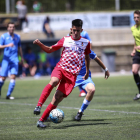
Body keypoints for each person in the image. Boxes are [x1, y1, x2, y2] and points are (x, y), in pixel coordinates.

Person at [33, 19, 91, 128]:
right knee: (54, 81)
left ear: (81, 30)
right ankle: (38, 106)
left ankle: (41, 121)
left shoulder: (85, 43)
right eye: (74, 30)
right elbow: (50, 49)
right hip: (61, 68)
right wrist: (40, 44)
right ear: (71, 29)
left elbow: (87, 57)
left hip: (72, 76)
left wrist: (87, 71)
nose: (75, 33)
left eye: (78, 31)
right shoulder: (65, 40)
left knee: (57, 98)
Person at [74, 50, 110, 121]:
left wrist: (105, 69)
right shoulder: (70, 49)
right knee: (59, 95)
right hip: (71, 77)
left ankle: (80, 112)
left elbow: (96, 59)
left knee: (92, 90)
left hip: (85, 77)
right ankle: (46, 115)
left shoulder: (86, 48)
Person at [0, 22, 24, 99]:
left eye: (13, 27)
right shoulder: (3, 36)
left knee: (13, 77)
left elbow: (19, 48)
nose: (11, 28)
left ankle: (8, 95)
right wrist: (8, 45)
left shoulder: (18, 37)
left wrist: (22, 57)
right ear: (7, 28)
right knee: (3, 78)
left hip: (14, 60)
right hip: (6, 60)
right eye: (10, 27)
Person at [68, 30, 92, 97]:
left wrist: (89, 54)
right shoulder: (69, 35)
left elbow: (90, 42)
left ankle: (84, 89)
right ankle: (82, 90)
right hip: (74, 59)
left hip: (83, 57)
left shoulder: (84, 34)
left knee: (83, 73)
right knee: (76, 74)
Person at [131, 10, 140, 100]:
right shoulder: (133, 28)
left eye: (138, 17)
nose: (136, 19)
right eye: (135, 17)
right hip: (138, 53)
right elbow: (135, 41)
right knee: (134, 71)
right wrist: (134, 50)